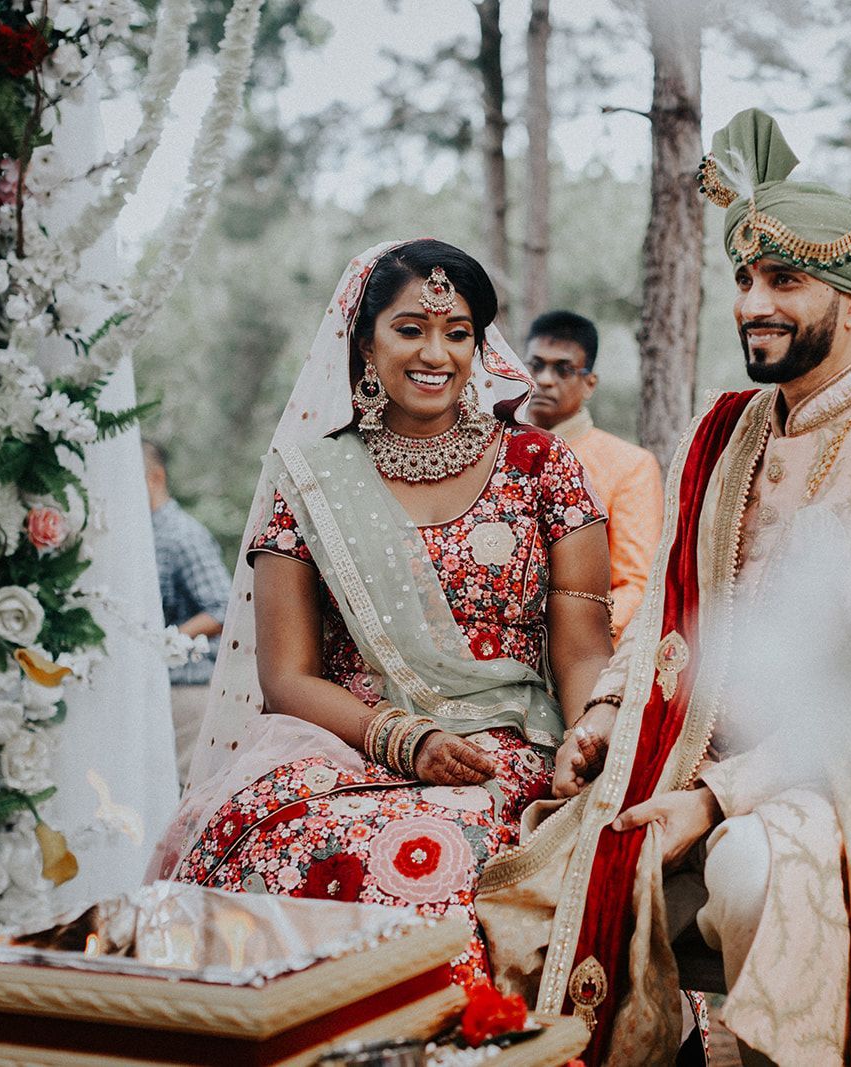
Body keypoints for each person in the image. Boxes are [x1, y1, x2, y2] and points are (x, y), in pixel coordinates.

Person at [475, 111, 851, 1065]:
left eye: (786, 280)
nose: (753, 304)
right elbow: (664, 607)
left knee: (749, 866)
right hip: (677, 755)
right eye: (743, 280)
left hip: (847, 779)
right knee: (525, 875)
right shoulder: (726, 428)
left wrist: (713, 801)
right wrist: (610, 715)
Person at [147, 239, 617, 989]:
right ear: (364, 341)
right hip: (349, 744)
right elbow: (286, 676)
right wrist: (404, 738)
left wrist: (595, 728)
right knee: (254, 831)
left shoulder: (543, 467)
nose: (436, 352)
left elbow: (584, 649)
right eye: (410, 328)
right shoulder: (311, 481)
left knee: (434, 859)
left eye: (457, 331)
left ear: (479, 344)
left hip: (507, 751)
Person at [525, 311, 662, 638]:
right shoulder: (494, 448)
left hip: (579, 652)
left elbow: (636, 584)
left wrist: (565, 638)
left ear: (590, 384)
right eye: (535, 365)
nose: (544, 379)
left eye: (563, 369)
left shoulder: (630, 464)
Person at [144, 440, 232, 786]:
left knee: (185, 791)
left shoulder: (182, 535)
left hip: (188, 690)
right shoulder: (140, 535)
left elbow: (224, 606)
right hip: (156, 689)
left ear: (155, 477)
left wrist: (166, 641)